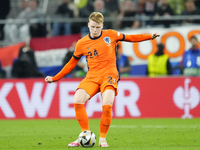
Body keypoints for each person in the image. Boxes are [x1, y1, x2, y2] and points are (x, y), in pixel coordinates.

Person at [45, 12, 160, 147]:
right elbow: (71, 63)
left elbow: (130, 37)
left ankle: (103, 138)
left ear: (102, 26)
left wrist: (149, 37)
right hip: (92, 76)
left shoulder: (110, 35)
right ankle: (85, 134)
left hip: (110, 76)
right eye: (92, 27)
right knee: (77, 100)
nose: (95, 30)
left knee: (107, 105)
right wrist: (55, 78)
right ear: (88, 25)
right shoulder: (81, 43)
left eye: (98, 27)